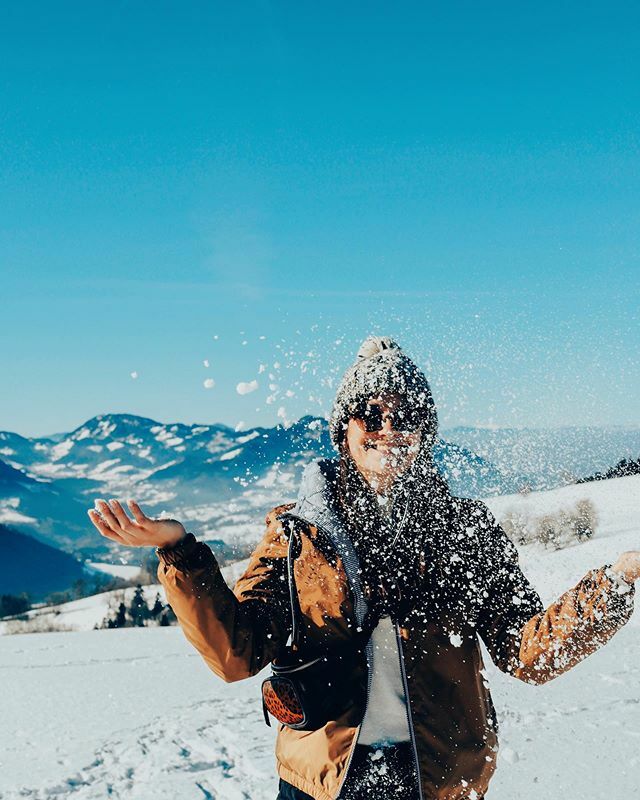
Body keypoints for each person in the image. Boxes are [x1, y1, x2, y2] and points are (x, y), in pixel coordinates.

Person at [88, 336, 639, 800]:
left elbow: (526, 651)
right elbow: (237, 654)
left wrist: (616, 582)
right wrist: (181, 553)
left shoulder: (466, 529)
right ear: (343, 430)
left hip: (437, 778)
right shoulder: (298, 533)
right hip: (324, 780)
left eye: (408, 415)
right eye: (371, 414)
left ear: (425, 432)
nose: (389, 428)